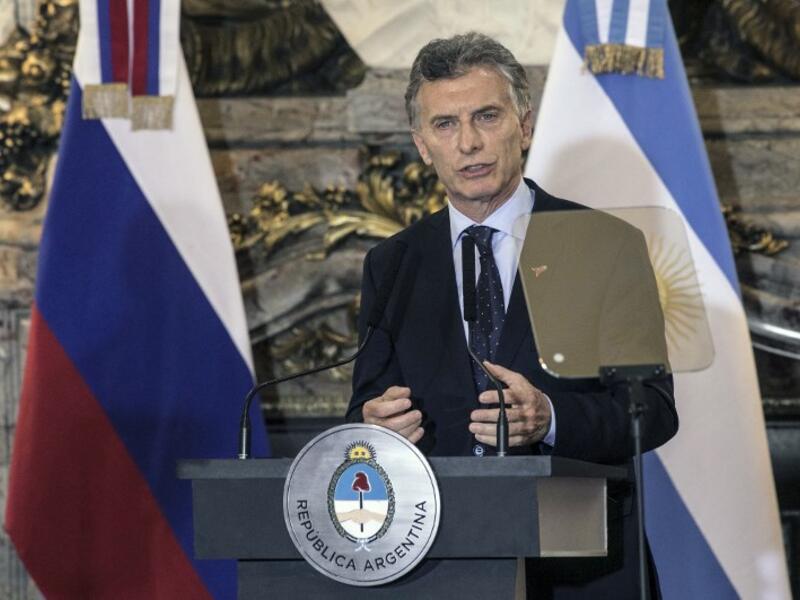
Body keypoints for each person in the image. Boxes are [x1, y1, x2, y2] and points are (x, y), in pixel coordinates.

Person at [346, 32, 678, 598]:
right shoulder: (393, 262)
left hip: (584, 562)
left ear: (523, 126)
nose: (468, 143)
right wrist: (374, 428)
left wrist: (549, 417)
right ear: (422, 144)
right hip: (439, 559)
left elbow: (652, 409)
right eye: (445, 125)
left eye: (487, 116)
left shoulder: (604, 244)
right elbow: (366, 406)